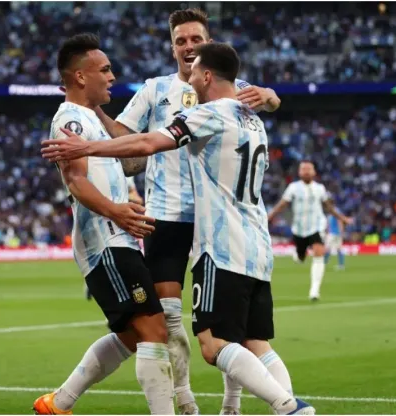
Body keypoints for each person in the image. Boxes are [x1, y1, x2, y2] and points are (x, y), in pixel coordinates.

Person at [43, 42, 315, 415]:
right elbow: (120, 156)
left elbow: (146, 142)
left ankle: (287, 407)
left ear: (205, 75)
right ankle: (65, 402)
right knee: (251, 341)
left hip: (222, 245)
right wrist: (269, 97)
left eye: (195, 69)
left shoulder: (208, 114)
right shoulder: (252, 118)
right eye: (104, 70)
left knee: (211, 341)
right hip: (257, 244)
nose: (188, 79)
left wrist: (87, 149)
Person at [89, 9, 282, 414]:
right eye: (181, 40)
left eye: (196, 39)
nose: (189, 47)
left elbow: (270, 101)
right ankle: (185, 398)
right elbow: (131, 140)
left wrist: (268, 96)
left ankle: (232, 403)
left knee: (227, 327)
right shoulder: (155, 89)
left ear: (207, 44)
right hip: (168, 214)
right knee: (173, 317)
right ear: (172, 46)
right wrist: (99, 115)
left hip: (216, 218)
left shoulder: (231, 88)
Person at [32, 33, 175, 415]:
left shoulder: (91, 119)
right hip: (105, 240)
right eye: (105, 69)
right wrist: (118, 211)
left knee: (131, 335)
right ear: (80, 77)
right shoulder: (70, 120)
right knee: (155, 331)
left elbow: (127, 161)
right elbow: (75, 179)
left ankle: (58, 403)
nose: (112, 77)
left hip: (118, 238)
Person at [267, 162, 353, 301]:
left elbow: (329, 207)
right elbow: (282, 204)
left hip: (316, 227)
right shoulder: (293, 188)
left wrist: (342, 218)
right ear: (299, 172)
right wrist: (268, 217)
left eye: (309, 169)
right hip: (299, 229)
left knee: (319, 253)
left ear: (314, 172)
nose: (306, 172)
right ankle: (299, 254)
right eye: (303, 169)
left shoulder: (320, 188)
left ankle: (314, 291)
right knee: (301, 258)